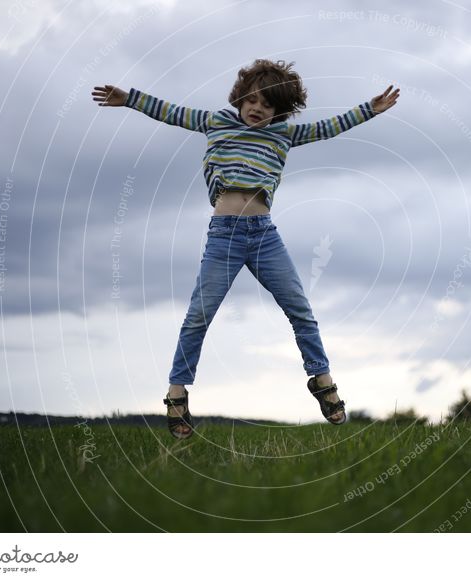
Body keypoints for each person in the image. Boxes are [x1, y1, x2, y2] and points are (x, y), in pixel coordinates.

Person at [93, 59, 399, 438]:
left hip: (264, 235)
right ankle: (176, 393)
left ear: (279, 111)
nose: (258, 108)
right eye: (253, 100)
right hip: (224, 235)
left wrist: (370, 109)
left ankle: (321, 380)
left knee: (300, 310)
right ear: (241, 98)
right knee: (198, 316)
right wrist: (130, 99)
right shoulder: (216, 121)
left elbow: (326, 129)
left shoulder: (283, 133)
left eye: (268, 105)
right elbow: (172, 113)